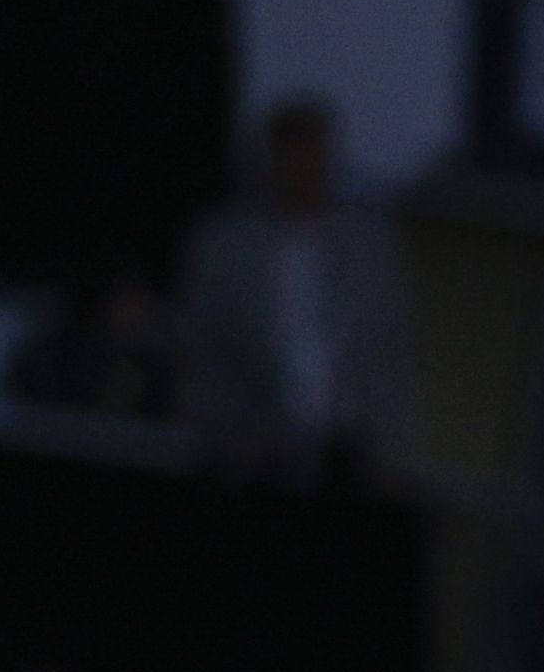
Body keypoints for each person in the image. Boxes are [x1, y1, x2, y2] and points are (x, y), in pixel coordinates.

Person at [173, 92, 422, 481]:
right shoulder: (226, 244)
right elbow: (203, 344)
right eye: (294, 154)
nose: (305, 166)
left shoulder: (368, 243)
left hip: (351, 440)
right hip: (252, 438)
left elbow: (389, 345)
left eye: (314, 153)